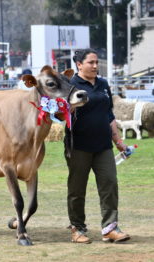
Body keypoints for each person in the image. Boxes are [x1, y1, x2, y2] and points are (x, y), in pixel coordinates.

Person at [64, 49, 130, 244]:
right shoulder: (70, 85)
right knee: (77, 190)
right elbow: (61, 114)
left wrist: (118, 142)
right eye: (91, 62)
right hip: (78, 147)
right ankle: (77, 229)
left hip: (103, 146)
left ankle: (110, 228)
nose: (95, 66)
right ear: (79, 64)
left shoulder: (102, 84)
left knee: (109, 184)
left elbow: (108, 114)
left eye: (96, 62)